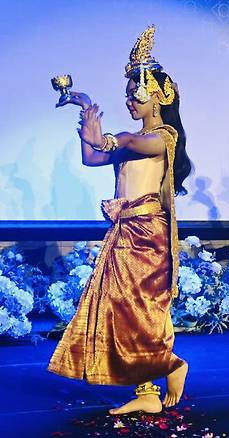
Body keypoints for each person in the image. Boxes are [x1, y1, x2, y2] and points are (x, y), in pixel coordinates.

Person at [48, 25, 192, 414]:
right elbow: (91, 158)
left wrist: (106, 138)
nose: (130, 100)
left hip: (148, 235)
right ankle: (146, 392)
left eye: (137, 93)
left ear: (160, 95)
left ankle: (172, 365)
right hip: (124, 231)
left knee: (139, 310)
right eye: (127, 94)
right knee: (116, 311)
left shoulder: (163, 136)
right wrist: (86, 114)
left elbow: (126, 142)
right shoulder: (130, 140)